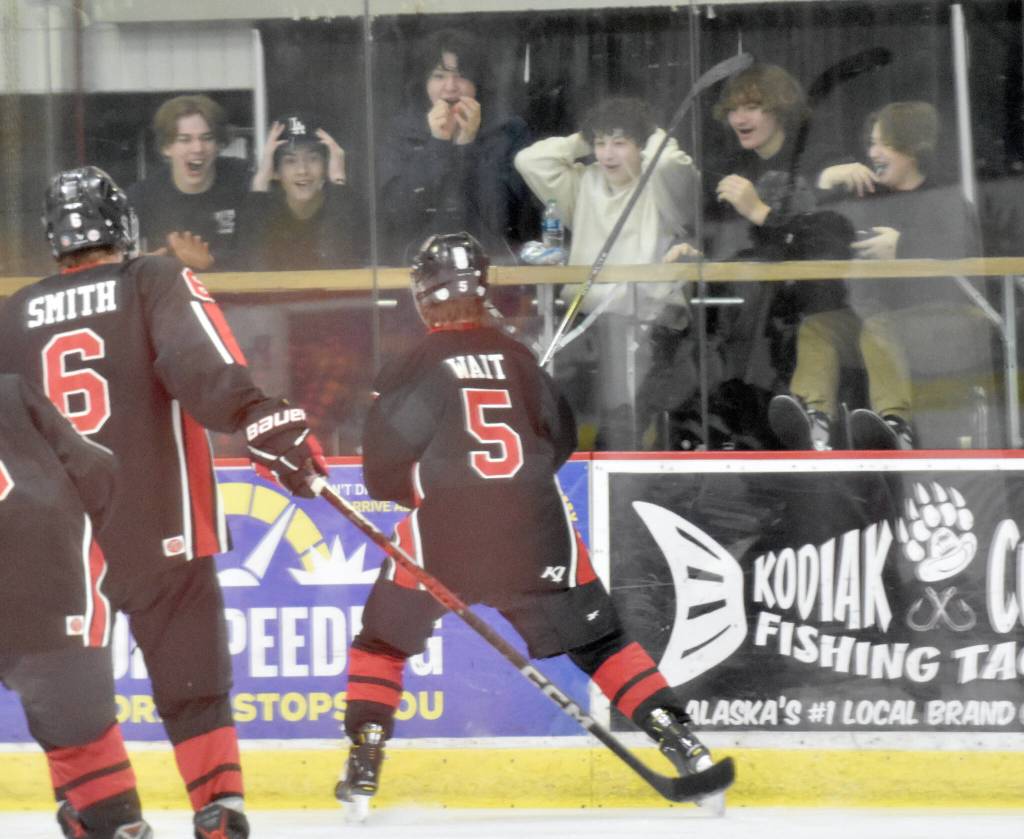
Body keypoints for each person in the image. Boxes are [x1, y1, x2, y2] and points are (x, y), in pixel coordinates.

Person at [335, 232, 720, 820]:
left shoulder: (412, 365)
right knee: (601, 643)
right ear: (482, 289)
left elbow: (383, 472)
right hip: (534, 529)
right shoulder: (519, 360)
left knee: (381, 644)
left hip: (446, 535)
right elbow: (560, 443)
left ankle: (364, 762)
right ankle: (680, 740)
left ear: (423, 296)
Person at [0, 166, 329, 839]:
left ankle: (105, 814)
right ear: (120, 223)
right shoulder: (151, 278)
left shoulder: (10, 315)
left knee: (68, 694)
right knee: (193, 682)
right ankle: (216, 808)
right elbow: (200, 366)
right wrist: (257, 414)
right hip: (156, 522)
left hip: (53, 543)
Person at [770, 101, 982, 450]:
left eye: (882, 143)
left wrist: (904, 246)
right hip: (881, 324)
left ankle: (896, 426)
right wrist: (824, 185)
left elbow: (964, 262)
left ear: (912, 148)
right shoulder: (866, 197)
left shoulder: (946, 196)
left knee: (879, 328)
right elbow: (801, 236)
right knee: (819, 328)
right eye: (871, 143)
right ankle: (815, 423)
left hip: (947, 324)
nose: (872, 153)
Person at [666, 64, 855, 452]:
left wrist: (761, 214)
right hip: (739, 309)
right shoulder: (729, 168)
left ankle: (746, 415)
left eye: (752, 106)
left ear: (780, 108)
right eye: (734, 109)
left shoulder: (817, 160)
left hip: (804, 306)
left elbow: (831, 244)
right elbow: (713, 237)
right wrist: (693, 251)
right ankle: (700, 421)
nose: (739, 118)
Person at [0, 374, 152, 839]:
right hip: (48, 589)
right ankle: (105, 820)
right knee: (86, 747)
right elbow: (95, 469)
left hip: (44, 586)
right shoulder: (9, 392)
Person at [514, 96, 700, 449]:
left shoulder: (661, 186)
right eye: (600, 143)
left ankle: (616, 487)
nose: (607, 154)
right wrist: (584, 137)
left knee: (622, 427)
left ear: (641, 146)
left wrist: (649, 133)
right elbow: (529, 160)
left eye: (620, 142)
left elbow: (669, 165)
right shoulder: (584, 182)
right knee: (564, 415)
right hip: (587, 323)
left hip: (649, 324)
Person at [377, 27, 535, 264]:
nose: (450, 87)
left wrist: (467, 146)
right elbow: (398, 215)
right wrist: (438, 144)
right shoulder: (400, 132)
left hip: (492, 266)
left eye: (461, 75)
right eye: (439, 76)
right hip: (419, 268)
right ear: (423, 83)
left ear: (479, 82)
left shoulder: (509, 131)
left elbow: (504, 218)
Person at [127, 94, 250, 271]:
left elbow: (258, 256)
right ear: (166, 147)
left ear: (218, 145)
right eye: (185, 139)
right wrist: (136, 262)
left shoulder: (242, 181)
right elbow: (107, 252)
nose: (197, 148)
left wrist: (210, 263)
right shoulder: (144, 195)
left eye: (206, 138)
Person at [238, 113, 363, 270]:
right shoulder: (262, 211)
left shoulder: (343, 207)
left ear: (326, 166)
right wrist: (261, 182)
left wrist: (338, 179)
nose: (302, 170)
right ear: (275, 170)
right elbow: (251, 267)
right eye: (290, 160)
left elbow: (339, 262)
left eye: (313, 158)